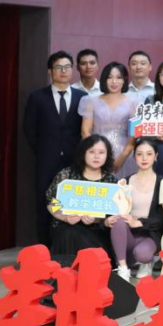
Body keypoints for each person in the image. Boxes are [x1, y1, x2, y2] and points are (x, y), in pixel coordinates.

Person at [27, 51, 86, 244]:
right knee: (46, 201)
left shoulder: (82, 97)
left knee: (72, 203)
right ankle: (45, 246)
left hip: (74, 161)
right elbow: (29, 130)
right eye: (58, 67)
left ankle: (68, 246)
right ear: (50, 71)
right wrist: (45, 151)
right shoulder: (37, 97)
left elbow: (84, 130)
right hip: (46, 160)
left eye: (67, 67)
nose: (63, 71)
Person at [46, 135, 117, 256]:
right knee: (70, 232)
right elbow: (50, 201)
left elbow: (112, 214)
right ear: (83, 153)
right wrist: (65, 217)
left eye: (101, 152)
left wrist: (96, 219)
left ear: (107, 155)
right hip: (66, 225)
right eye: (91, 152)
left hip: (96, 229)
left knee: (86, 239)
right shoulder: (67, 175)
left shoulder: (111, 181)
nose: (96, 156)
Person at [107, 138, 163, 281]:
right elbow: (113, 209)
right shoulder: (124, 182)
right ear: (134, 157)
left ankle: (147, 261)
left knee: (142, 254)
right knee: (119, 220)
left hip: (150, 234)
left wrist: (138, 222)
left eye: (149, 154)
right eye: (139, 154)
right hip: (127, 234)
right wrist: (107, 221)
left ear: (156, 156)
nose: (144, 158)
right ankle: (123, 268)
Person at [79, 61, 140, 179]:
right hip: (96, 153)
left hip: (124, 154)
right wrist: (96, 153)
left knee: (123, 188)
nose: (114, 81)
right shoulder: (90, 101)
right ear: (104, 79)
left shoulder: (135, 103)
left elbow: (134, 135)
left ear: (124, 80)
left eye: (118, 77)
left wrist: (122, 157)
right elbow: (85, 131)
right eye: (110, 77)